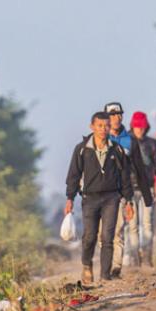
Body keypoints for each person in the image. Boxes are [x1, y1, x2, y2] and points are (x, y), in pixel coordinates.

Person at [64, 112, 135, 285]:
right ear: (92, 127)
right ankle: (87, 265)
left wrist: (128, 201)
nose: (103, 129)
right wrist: (70, 198)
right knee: (89, 236)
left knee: (107, 237)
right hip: (90, 198)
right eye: (100, 126)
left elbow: (125, 176)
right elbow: (74, 175)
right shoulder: (82, 149)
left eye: (106, 126)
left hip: (111, 198)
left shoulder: (117, 149)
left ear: (110, 127)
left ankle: (105, 275)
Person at [104, 102, 153, 277]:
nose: (116, 118)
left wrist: (147, 195)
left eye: (119, 114)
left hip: (125, 190)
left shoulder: (130, 140)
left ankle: (119, 265)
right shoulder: (100, 139)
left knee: (124, 227)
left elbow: (139, 168)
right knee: (107, 231)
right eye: (112, 115)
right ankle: (107, 264)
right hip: (104, 192)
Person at [129, 111, 156, 267]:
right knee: (132, 225)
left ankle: (147, 257)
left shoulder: (152, 143)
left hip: (148, 188)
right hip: (130, 189)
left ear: (146, 127)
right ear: (132, 127)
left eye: (142, 126)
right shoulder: (126, 142)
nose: (139, 129)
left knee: (147, 224)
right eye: (137, 126)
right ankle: (134, 257)